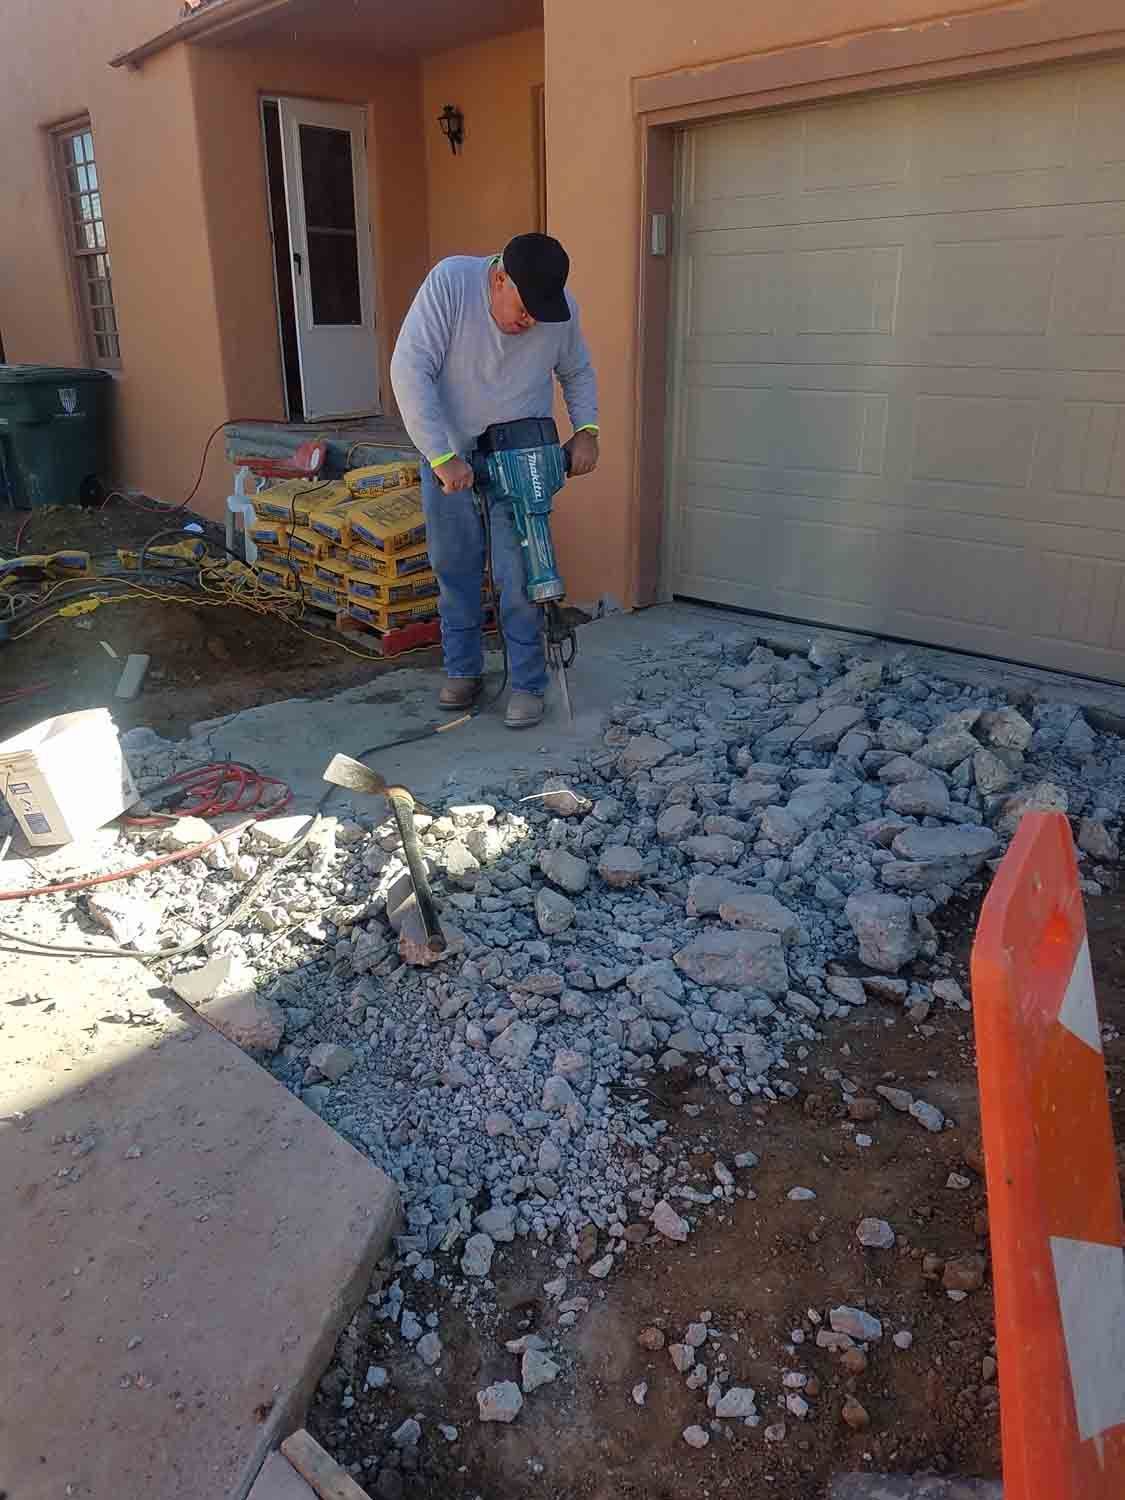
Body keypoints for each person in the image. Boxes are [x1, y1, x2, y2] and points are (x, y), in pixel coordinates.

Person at [390, 233, 599, 729]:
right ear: (499, 278)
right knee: (455, 565)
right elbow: (410, 368)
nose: (531, 323)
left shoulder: (559, 309)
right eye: (524, 310)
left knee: (523, 573)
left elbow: (577, 371)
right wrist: (441, 456)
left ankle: (527, 683)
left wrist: (587, 430)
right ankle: (463, 671)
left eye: (540, 314)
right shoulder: (451, 284)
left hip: (520, 451)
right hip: (451, 452)